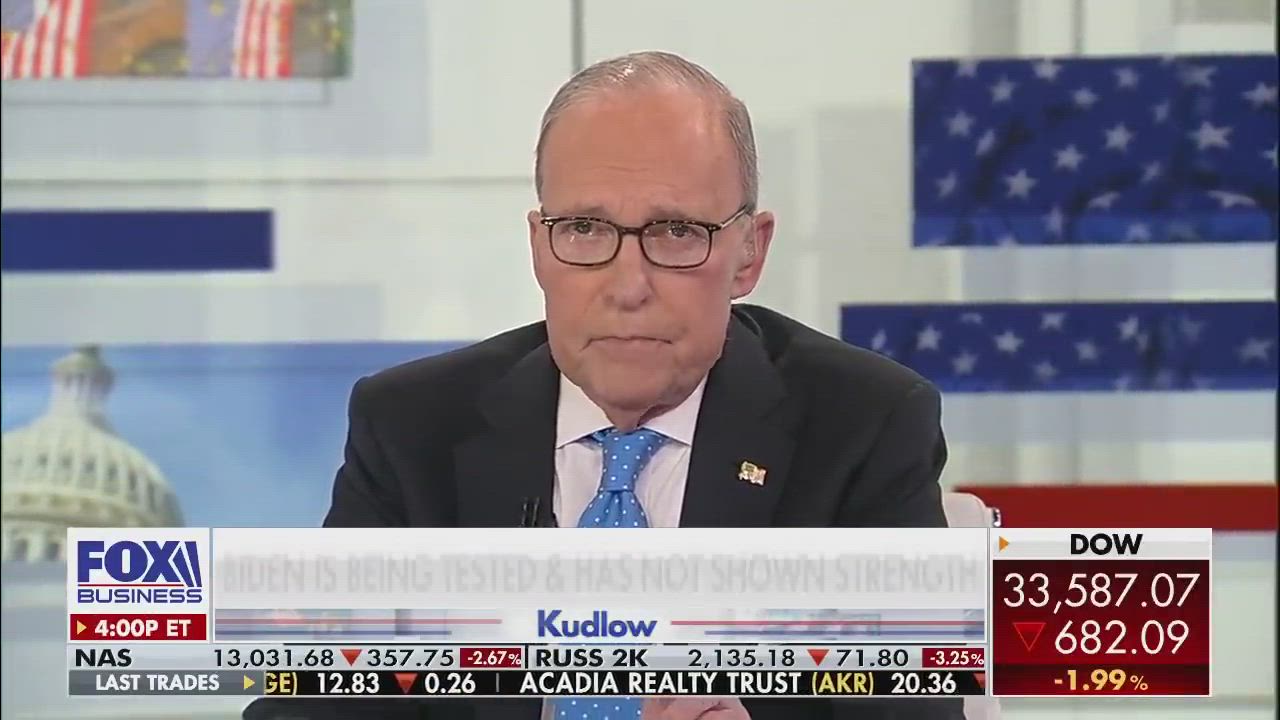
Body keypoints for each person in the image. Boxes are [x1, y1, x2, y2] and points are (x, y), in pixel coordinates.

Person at [245, 51, 960, 720]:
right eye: (585, 229)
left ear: (749, 253)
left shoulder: (863, 428)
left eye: (676, 232)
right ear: (539, 247)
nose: (627, 286)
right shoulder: (411, 430)